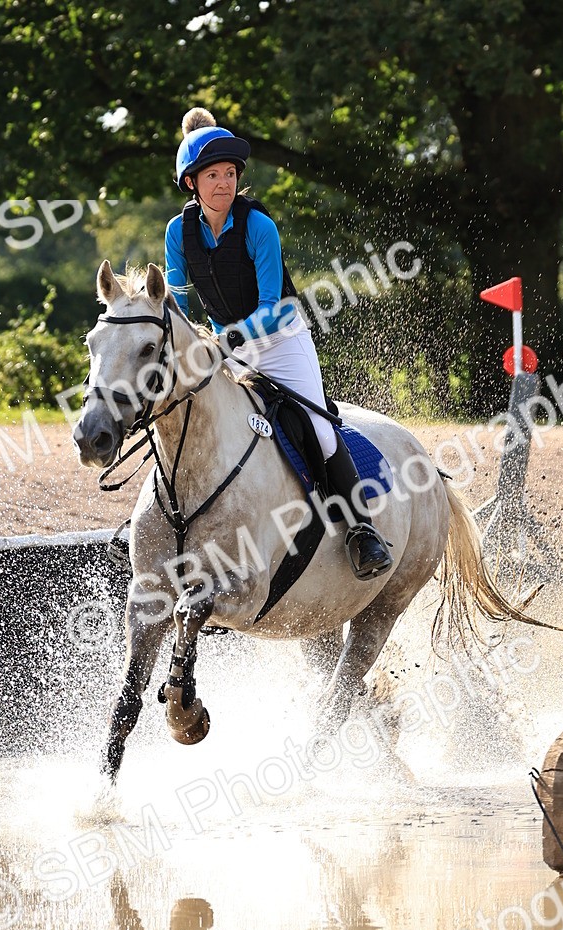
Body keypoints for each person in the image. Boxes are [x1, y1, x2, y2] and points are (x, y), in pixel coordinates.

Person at [164, 107, 393, 580]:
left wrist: (226, 338)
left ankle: (361, 531)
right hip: (226, 345)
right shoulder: (177, 232)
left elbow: (271, 305)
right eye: (213, 175)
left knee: (319, 428)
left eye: (230, 174)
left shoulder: (258, 227)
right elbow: (176, 297)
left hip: (281, 340)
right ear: (192, 182)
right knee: (190, 417)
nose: (224, 183)